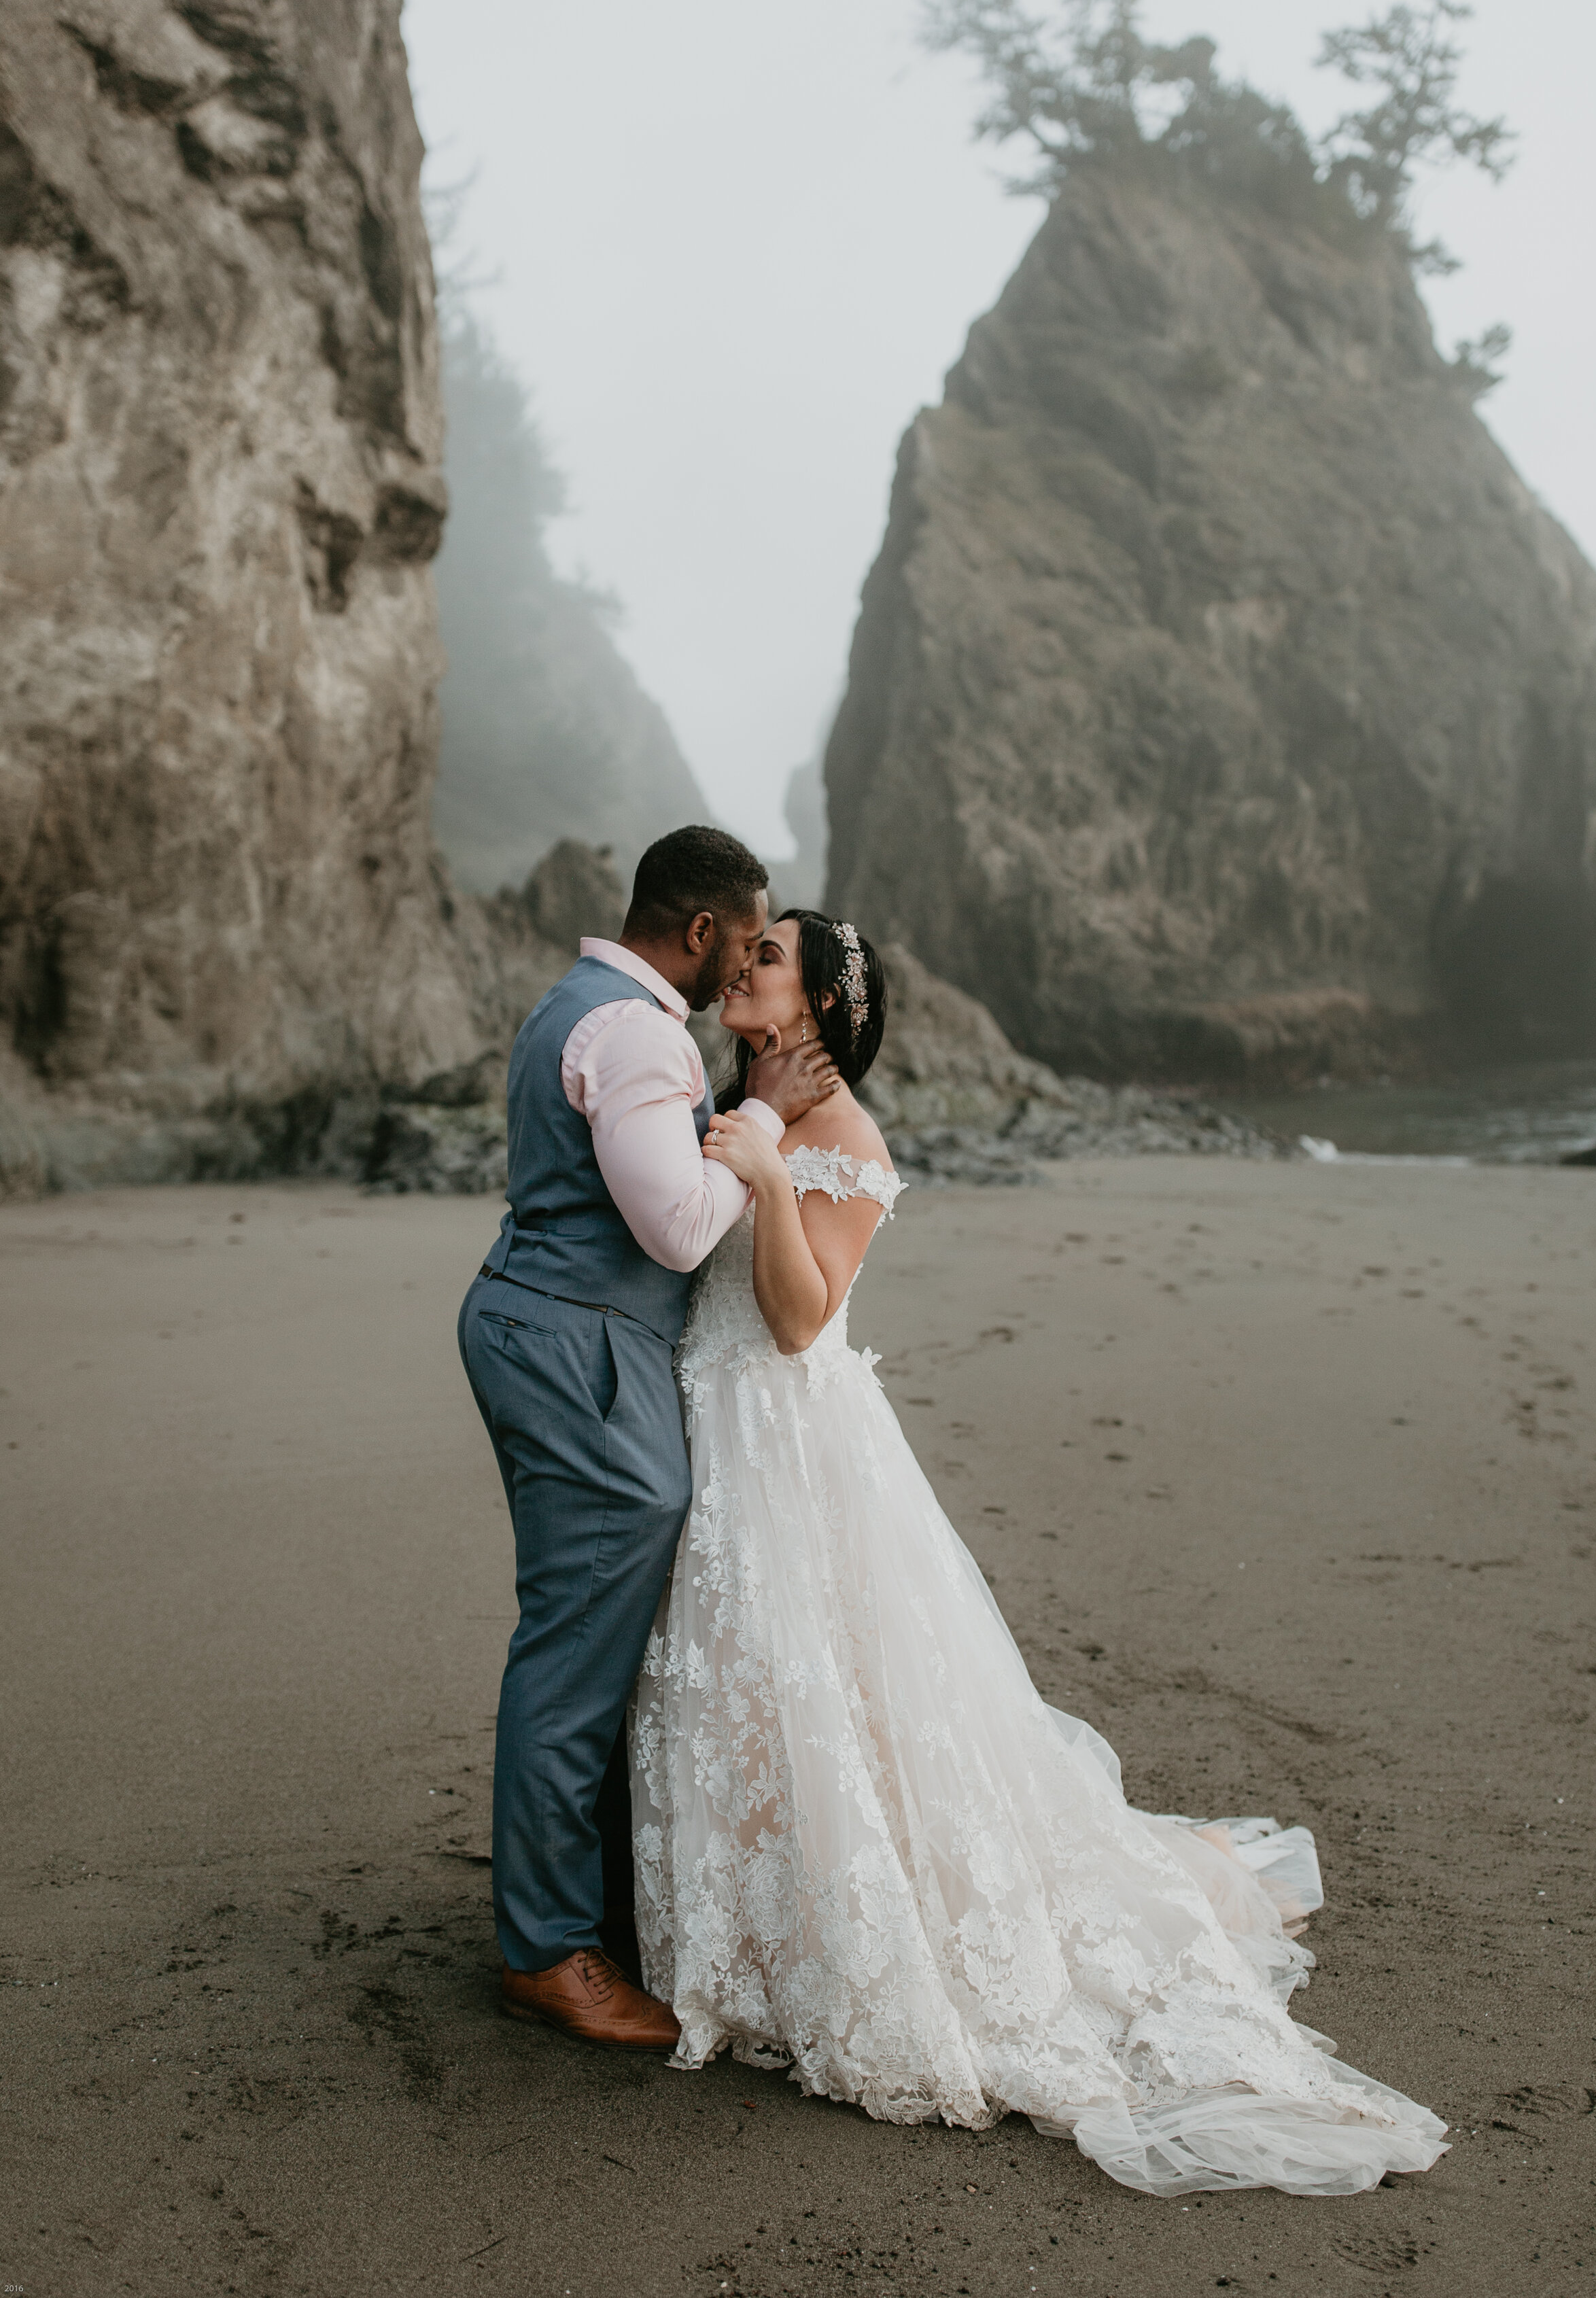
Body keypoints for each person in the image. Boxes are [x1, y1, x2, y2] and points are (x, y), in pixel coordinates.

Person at [628, 908, 1448, 2197]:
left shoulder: (842, 1140)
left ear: (821, 1010)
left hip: (789, 1447)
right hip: (724, 1444)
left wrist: (776, 1168)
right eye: (748, 949)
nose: (744, 964)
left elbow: (795, 1322)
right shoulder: (747, 1103)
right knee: (753, 1698)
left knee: (832, 1704)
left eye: (771, 955)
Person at [457, 828, 839, 2050]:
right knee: (576, 1636)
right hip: (578, 1344)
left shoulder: (579, 1008)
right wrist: (765, 1122)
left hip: (555, 1325)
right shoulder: (635, 1034)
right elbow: (677, 1227)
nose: (740, 971)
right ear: (698, 934)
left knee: (599, 1623)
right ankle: (550, 1950)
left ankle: (586, 1900)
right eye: (745, 939)